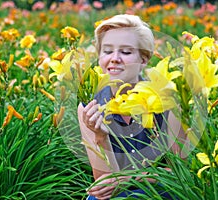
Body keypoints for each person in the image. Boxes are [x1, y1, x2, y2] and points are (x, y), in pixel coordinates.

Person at [77, 14, 186, 200]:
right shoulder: (89, 107)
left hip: (164, 190)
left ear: (143, 60)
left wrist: (128, 179)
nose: (114, 59)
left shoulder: (167, 100)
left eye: (126, 52)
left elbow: (181, 173)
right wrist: (101, 136)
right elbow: (104, 182)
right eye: (107, 51)